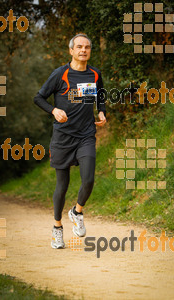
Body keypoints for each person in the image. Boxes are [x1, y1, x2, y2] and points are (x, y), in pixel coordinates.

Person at [34, 33, 106, 249]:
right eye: (79, 47)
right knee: (62, 186)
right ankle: (57, 228)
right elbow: (38, 97)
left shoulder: (95, 74)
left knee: (89, 179)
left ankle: (77, 211)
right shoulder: (60, 74)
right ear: (71, 51)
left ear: (90, 51)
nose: (83, 50)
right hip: (63, 138)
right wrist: (54, 110)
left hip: (86, 135)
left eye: (87, 47)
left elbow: (100, 95)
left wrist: (101, 112)